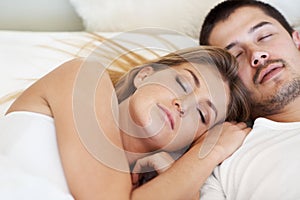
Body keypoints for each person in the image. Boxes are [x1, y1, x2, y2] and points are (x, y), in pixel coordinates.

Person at [2, 46, 251, 199]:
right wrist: (208, 154)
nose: (183, 104)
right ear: (144, 75)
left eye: (202, 114)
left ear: (192, 140)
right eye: (183, 83)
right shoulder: (84, 78)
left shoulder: (162, 189)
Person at [198, 0, 300, 199]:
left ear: (297, 39)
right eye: (236, 55)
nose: (257, 55)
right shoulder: (223, 164)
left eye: (265, 36)